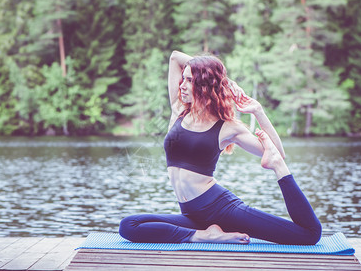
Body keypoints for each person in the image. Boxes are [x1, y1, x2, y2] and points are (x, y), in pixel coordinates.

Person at [119, 50, 322, 245]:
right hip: (191, 214)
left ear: (204, 84)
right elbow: (175, 57)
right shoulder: (179, 109)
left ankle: (206, 235)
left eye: (190, 80)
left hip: (221, 209)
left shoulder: (226, 127)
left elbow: (278, 151)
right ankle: (204, 236)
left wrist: (258, 111)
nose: (182, 85)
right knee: (129, 225)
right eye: (184, 78)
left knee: (309, 235)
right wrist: (225, 82)